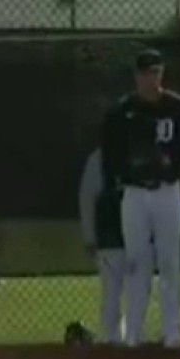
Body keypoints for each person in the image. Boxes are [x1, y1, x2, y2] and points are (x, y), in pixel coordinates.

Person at [100, 47, 180, 347]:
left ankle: (172, 331)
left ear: (162, 74)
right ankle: (134, 331)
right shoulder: (122, 110)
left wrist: (174, 168)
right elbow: (111, 155)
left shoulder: (179, 107)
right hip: (134, 193)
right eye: (145, 74)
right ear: (136, 76)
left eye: (155, 73)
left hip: (167, 192)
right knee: (136, 262)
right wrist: (123, 177)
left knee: (169, 261)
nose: (150, 79)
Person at [77, 146, 126, 343]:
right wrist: (90, 236)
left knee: (138, 291)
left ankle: (134, 340)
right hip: (110, 236)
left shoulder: (143, 151)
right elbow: (87, 197)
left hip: (136, 235)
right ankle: (114, 340)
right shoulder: (99, 158)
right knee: (112, 292)